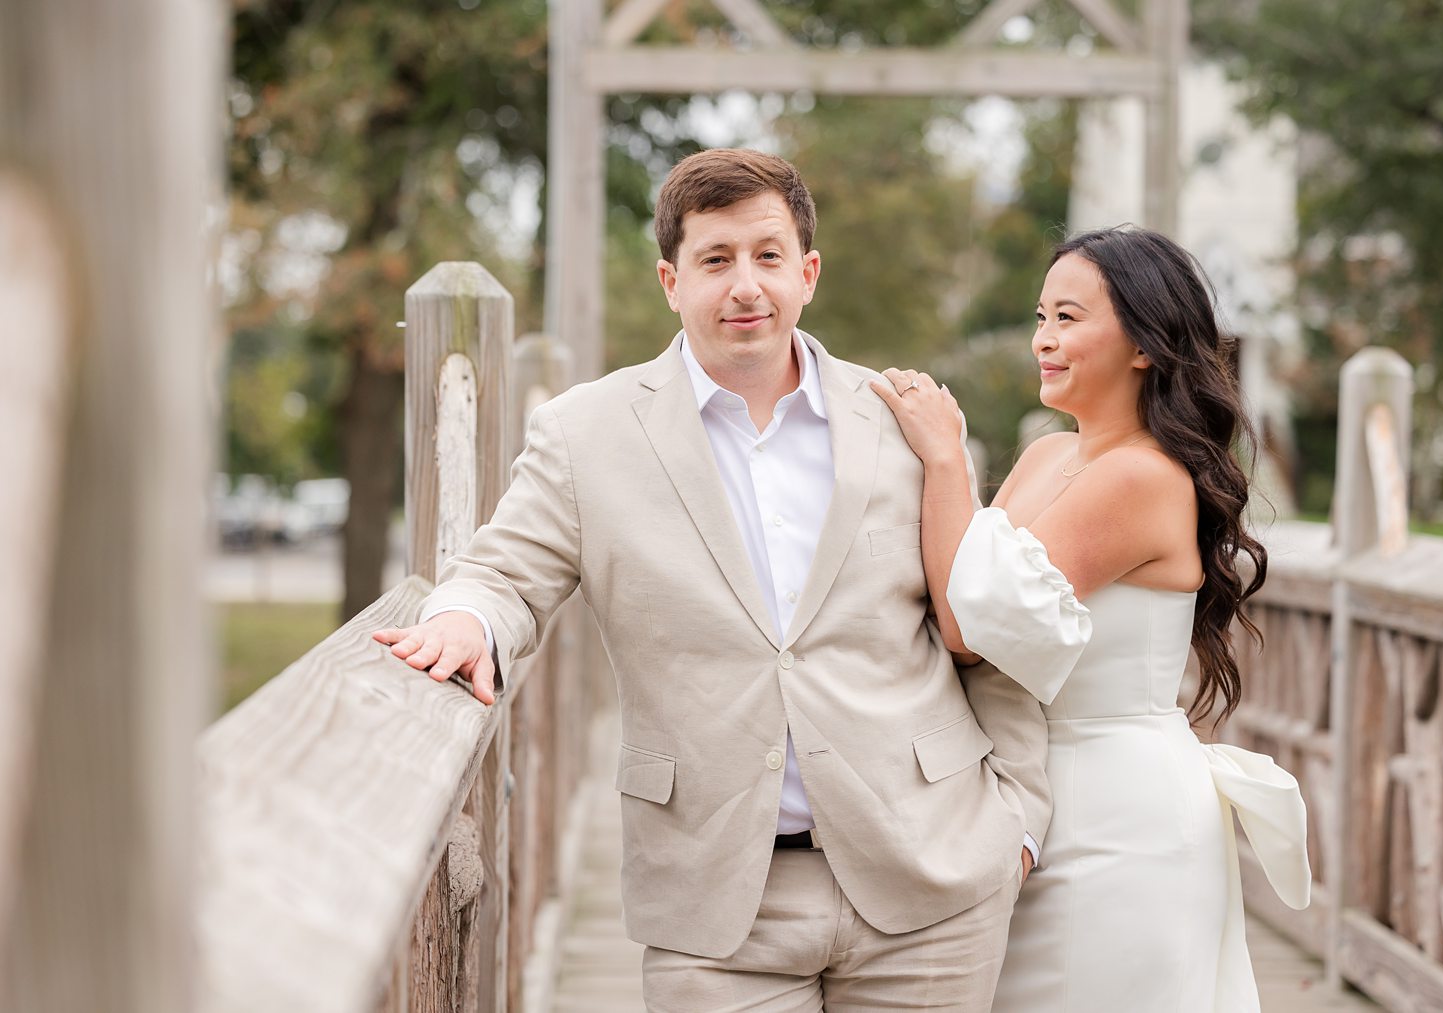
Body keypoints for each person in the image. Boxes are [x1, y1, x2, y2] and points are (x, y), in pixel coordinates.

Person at [374, 148, 1049, 1011]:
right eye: (715, 259)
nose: (745, 286)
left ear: (807, 273)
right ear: (671, 279)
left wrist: (1018, 824)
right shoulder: (586, 433)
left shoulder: (901, 420)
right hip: (713, 899)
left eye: (768, 257)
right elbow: (504, 569)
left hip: (932, 877)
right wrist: (465, 619)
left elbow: (989, 631)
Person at [872, 225, 1311, 1012]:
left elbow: (974, 630)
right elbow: (961, 577)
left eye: (1069, 318)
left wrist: (946, 460)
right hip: (1032, 795)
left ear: (1144, 343)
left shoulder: (1144, 477)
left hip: (1120, 815)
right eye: (1042, 317)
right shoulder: (1047, 455)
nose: (1044, 339)